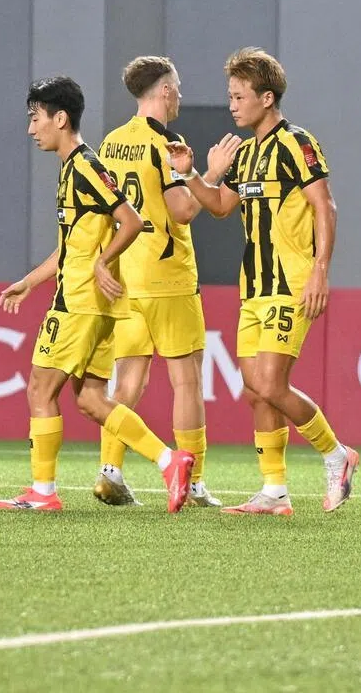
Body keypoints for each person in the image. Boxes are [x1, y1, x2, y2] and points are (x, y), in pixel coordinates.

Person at [165, 47, 359, 515]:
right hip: (252, 288)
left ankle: (338, 456)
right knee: (255, 389)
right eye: (230, 96)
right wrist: (190, 173)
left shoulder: (297, 143)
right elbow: (220, 206)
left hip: (291, 282)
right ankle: (274, 491)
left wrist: (320, 271)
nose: (232, 105)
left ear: (267, 98)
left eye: (239, 96)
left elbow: (324, 206)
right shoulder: (247, 153)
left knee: (271, 383)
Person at [0, 76, 194, 513]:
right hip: (96, 304)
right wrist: (30, 281)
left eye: (36, 119)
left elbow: (132, 219)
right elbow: (72, 247)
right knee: (91, 399)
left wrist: (103, 264)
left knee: (39, 391)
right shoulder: (75, 168)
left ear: (59, 118)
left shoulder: (85, 167)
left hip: (80, 302)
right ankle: (169, 460)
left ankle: (43, 492)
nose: (31, 129)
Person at [91, 56, 239, 508]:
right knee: (187, 380)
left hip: (125, 277)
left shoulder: (111, 142)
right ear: (162, 91)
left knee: (128, 378)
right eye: (176, 86)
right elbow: (182, 210)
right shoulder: (167, 142)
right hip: (168, 276)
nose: (180, 94)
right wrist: (211, 171)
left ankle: (110, 471)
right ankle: (191, 482)